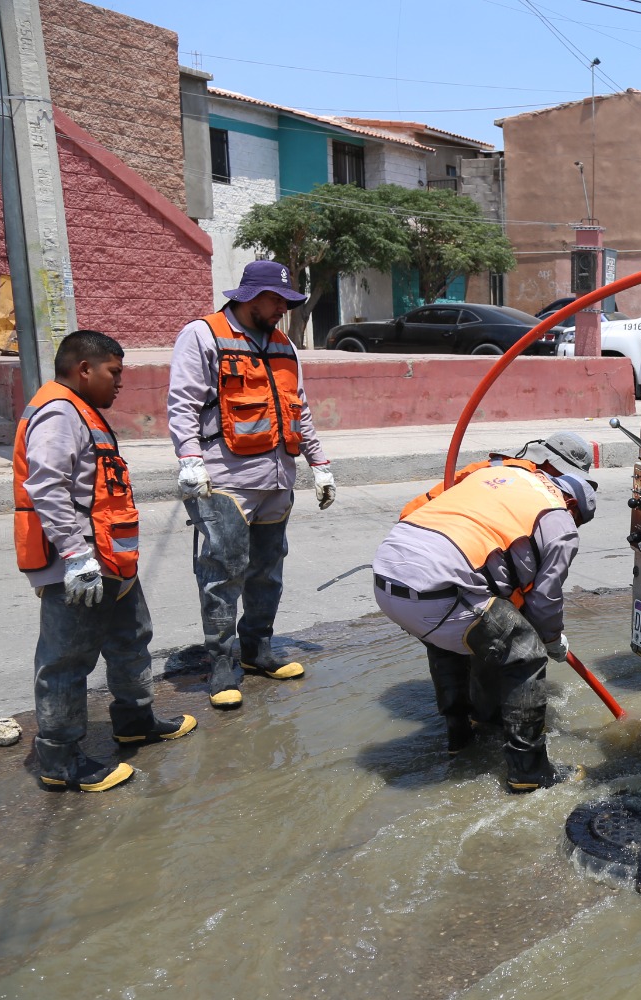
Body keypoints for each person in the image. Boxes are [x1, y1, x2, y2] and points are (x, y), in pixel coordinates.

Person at [14, 331, 196, 792]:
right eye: (114, 372)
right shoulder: (58, 411)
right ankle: (60, 759)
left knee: (131, 639)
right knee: (66, 661)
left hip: (112, 560)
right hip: (79, 565)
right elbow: (47, 487)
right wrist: (76, 556)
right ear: (84, 369)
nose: (120, 383)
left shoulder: (81, 410)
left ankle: (135, 720)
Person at [372, 432, 597, 792]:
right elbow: (545, 600)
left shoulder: (495, 474)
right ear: (574, 504)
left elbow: (422, 514)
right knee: (526, 652)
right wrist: (553, 640)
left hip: (388, 575)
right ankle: (529, 773)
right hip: (438, 593)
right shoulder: (559, 520)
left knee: (452, 639)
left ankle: (460, 736)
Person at [168, 260, 336, 710]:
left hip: (277, 478)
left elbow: (298, 408)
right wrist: (189, 459)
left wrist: (318, 462)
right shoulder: (203, 335)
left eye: (286, 301)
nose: (283, 308)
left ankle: (257, 649)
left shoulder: (283, 345)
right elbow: (182, 403)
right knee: (223, 573)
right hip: (225, 480)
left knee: (267, 570)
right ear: (248, 297)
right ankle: (223, 666)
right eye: (276, 300)